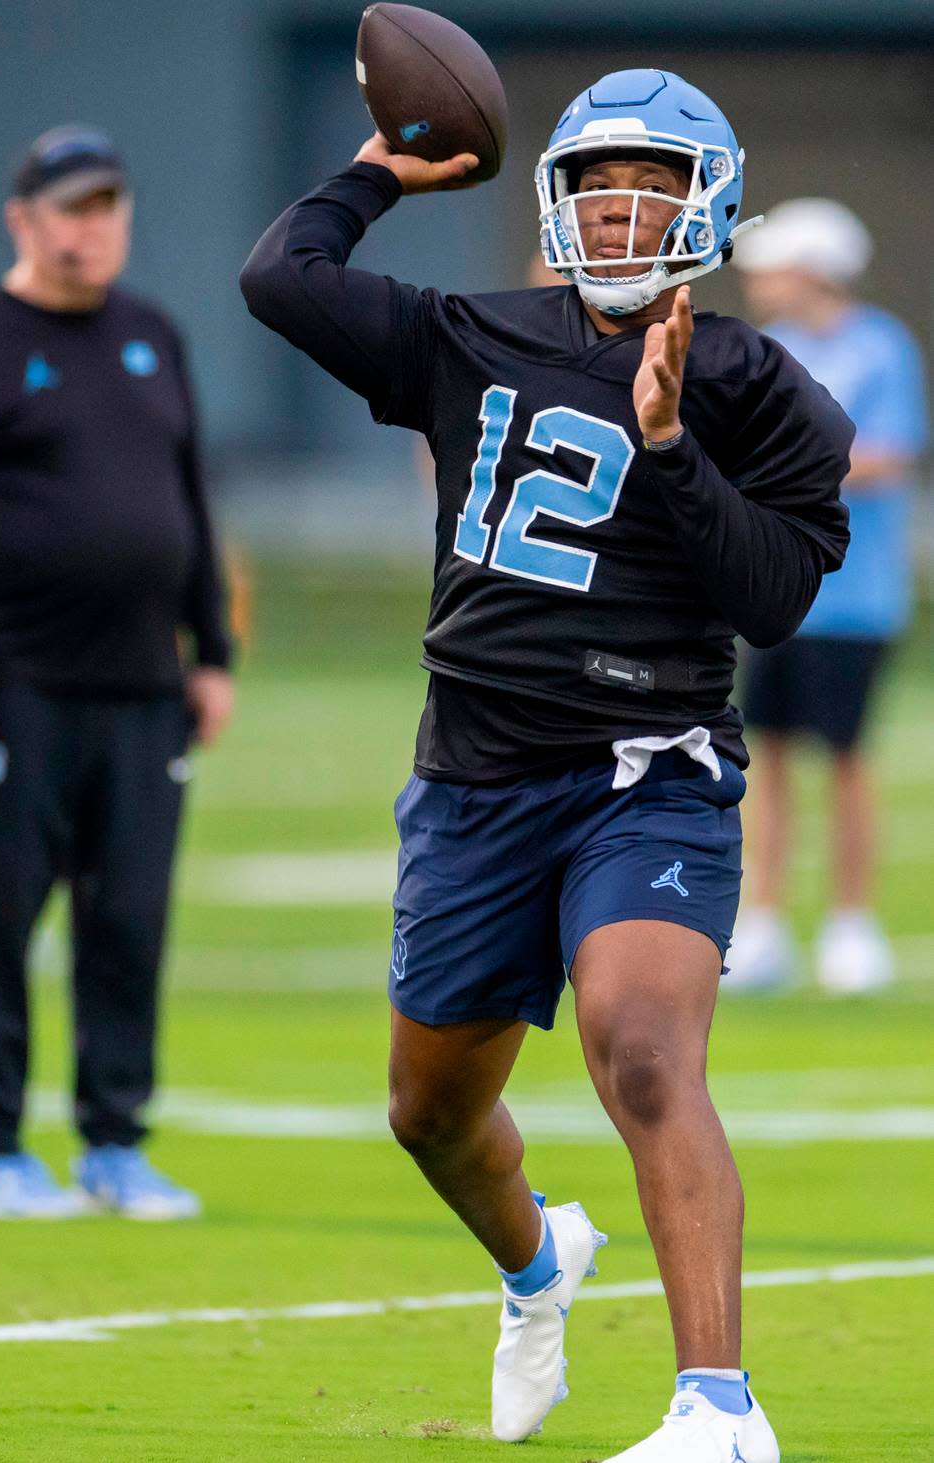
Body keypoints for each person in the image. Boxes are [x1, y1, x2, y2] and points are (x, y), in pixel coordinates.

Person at [241, 70, 851, 1461]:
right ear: (554, 200)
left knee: (640, 1047)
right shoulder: (471, 335)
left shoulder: (760, 384)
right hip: (472, 776)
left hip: (649, 772)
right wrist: (386, 171)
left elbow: (775, 601)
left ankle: (719, 1409)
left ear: (709, 204)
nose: (620, 210)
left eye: (649, 185)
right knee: (430, 1112)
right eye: (594, 183)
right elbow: (283, 275)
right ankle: (536, 1264)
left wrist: (672, 446)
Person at [0, 127, 234, 1220]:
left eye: (106, 206)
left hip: (145, 689)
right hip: (19, 683)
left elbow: (189, 502)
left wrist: (214, 653)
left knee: (130, 922)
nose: (90, 226)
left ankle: (113, 1143)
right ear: (24, 219)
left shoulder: (153, 336)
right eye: (69, 207)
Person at [726, 199, 928, 995]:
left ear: (812, 272)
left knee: (846, 760)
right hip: (773, 592)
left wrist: (790, 466)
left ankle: (852, 922)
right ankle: (764, 921)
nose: (758, 279)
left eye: (774, 265)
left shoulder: (881, 346)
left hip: (853, 597)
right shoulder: (766, 349)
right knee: (763, 759)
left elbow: (891, 455)